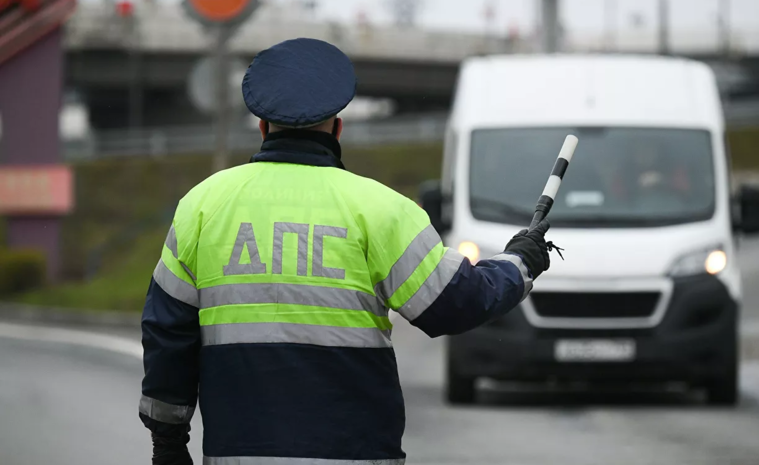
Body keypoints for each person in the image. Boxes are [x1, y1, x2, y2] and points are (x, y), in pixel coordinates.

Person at [139, 37, 556, 465]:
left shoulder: (203, 206)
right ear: (338, 127)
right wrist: (520, 262)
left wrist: (167, 442)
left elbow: (167, 331)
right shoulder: (381, 210)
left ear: (263, 127)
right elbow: (455, 302)